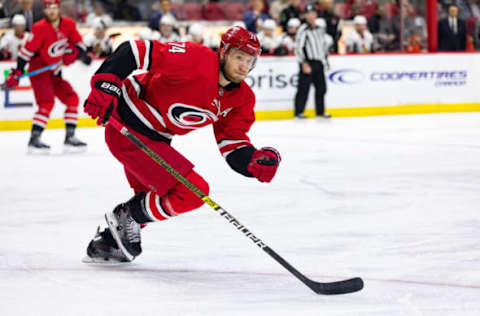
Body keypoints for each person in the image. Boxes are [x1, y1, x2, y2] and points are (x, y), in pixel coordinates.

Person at [82, 26, 281, 263]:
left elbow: (232, 142)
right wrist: (107, 86)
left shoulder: (241, 98)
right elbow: (134, 50)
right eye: (239, 57)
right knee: (192, 192)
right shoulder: (195, 59)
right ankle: (127, 216)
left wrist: (252, 161)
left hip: (155, 140)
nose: (244, 66)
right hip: (127, 126)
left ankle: (108, 243)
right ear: (224, 52)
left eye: (250, 61)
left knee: (153, 196)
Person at [5, 0, 92, 153]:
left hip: (55, 71)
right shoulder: (39, 28)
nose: (51, 11)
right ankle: (34, 139)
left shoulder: (69, 24)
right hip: (39, 69)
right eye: (48, 8)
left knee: (72, 99)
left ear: (59, 9)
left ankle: (70, 137)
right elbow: (25, 54)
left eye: (54, 7)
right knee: (46, 103)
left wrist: (75, 53)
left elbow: (80, 45)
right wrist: (17, 72)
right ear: (44, 11)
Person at [294, 5, 331, 120]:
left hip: (319, 62)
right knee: (303, 88)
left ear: (315, 15)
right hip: (308, 62)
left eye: (312, 13)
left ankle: (320, 111)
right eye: (308, 13)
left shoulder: (320, 29)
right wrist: (303, 63)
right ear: (305, 16)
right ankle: (299, 112)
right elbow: (298, 47)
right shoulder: (303, 29)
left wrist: (326, 60)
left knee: (321, 88)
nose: (310, 15)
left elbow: (323, 46)